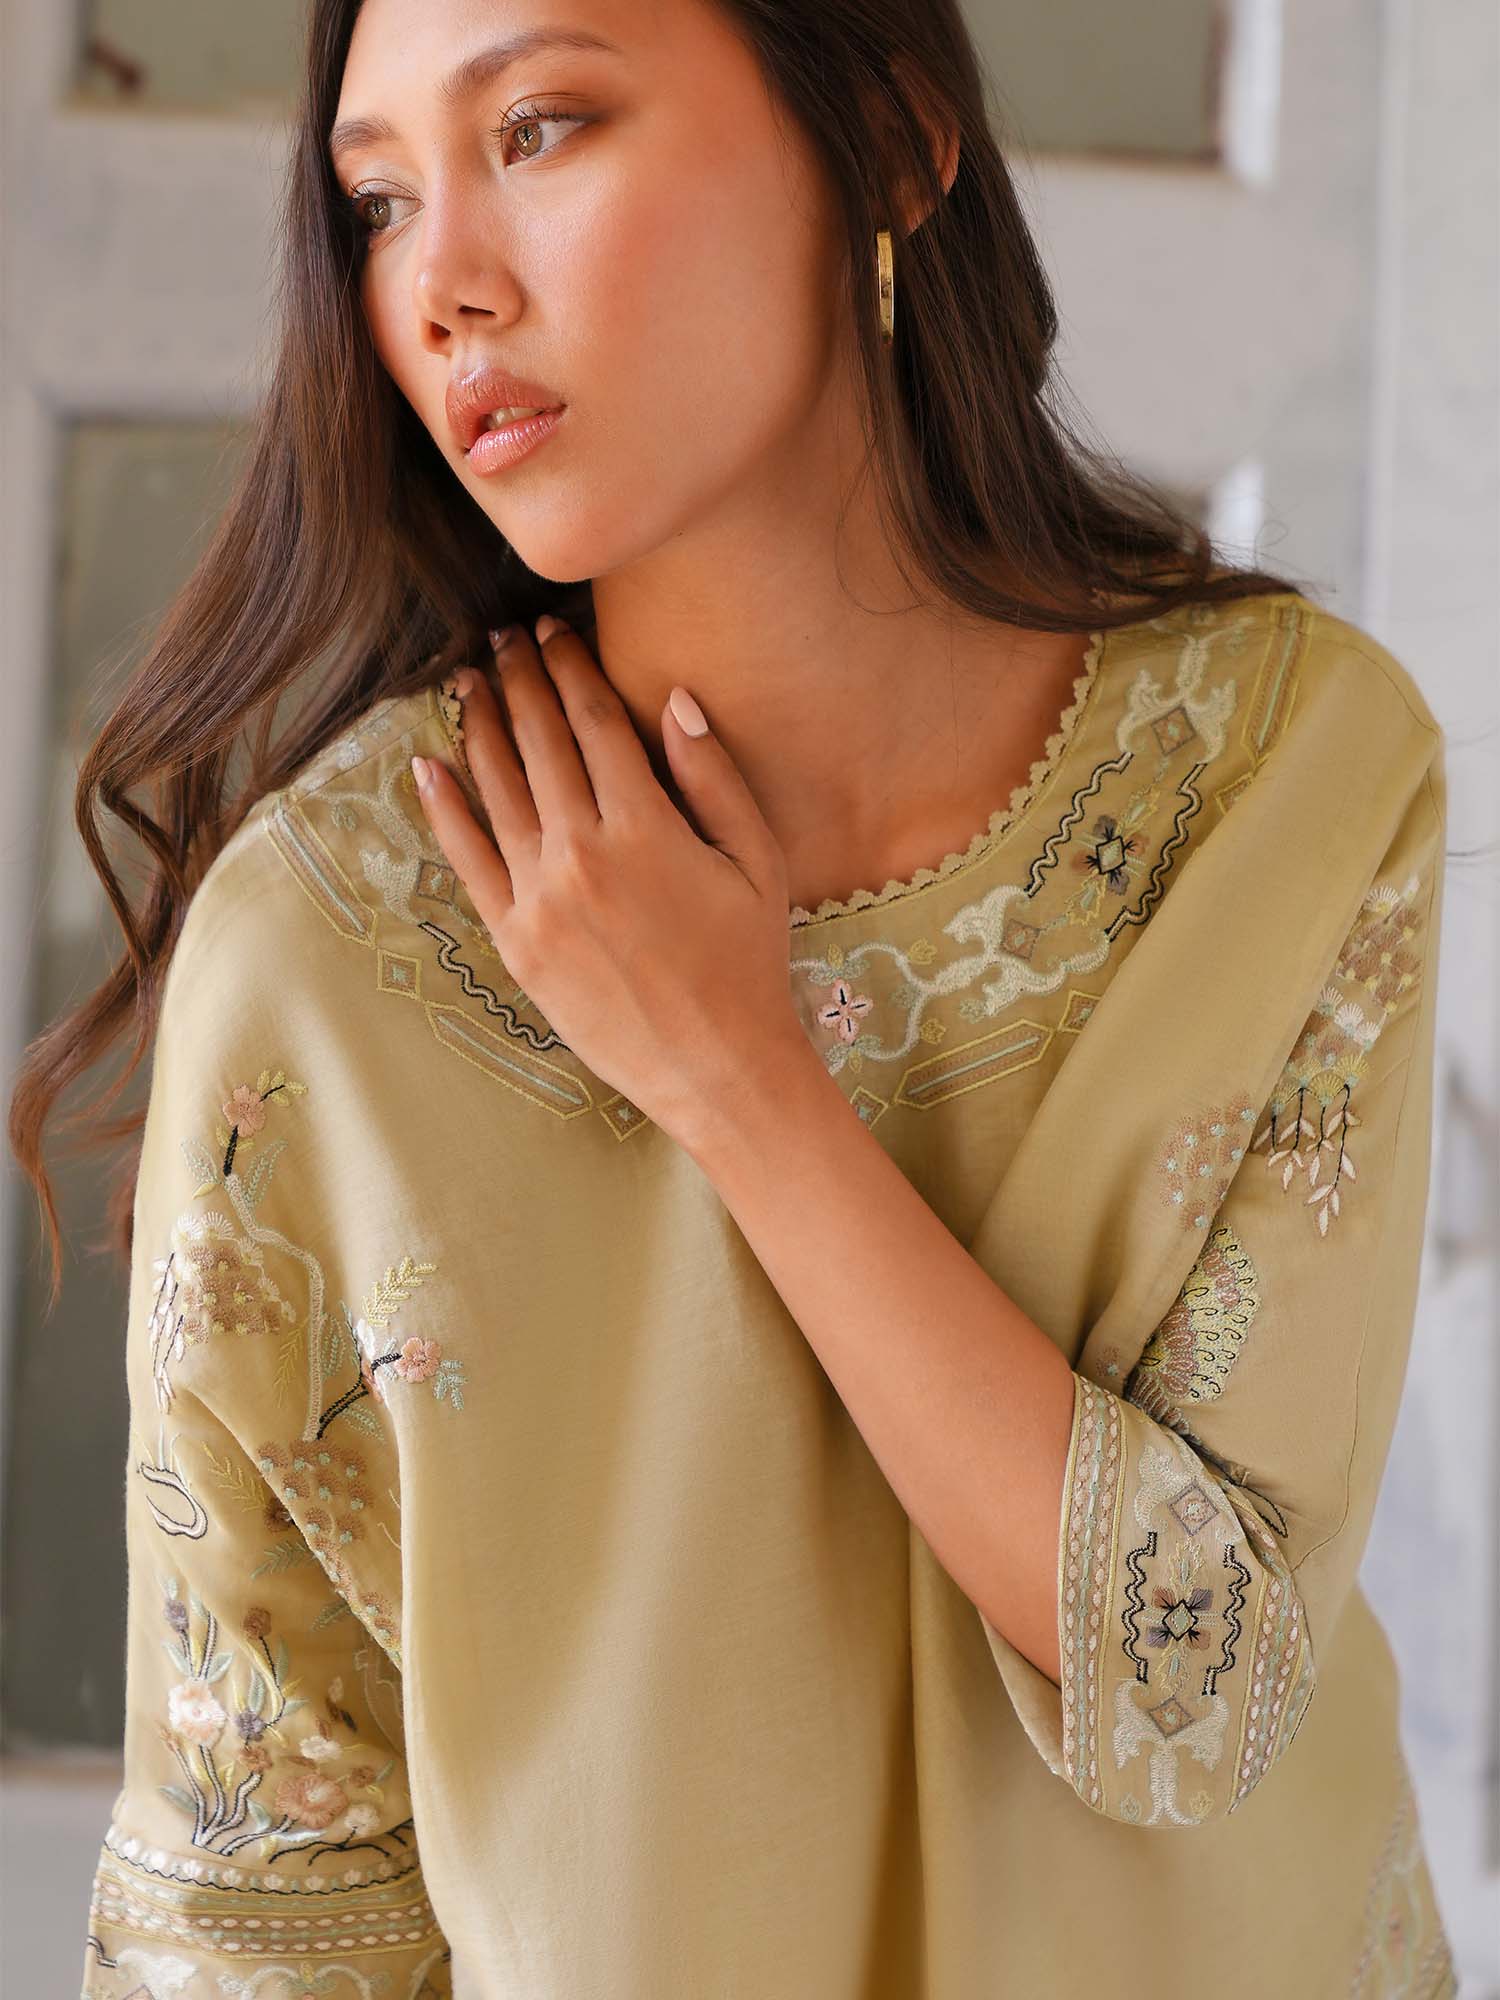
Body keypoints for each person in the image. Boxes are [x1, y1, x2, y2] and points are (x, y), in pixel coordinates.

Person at [6, 2, 1457, 1995]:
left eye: (541, 125)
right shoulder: (328, 951)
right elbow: (255, 1918)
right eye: (379, 200)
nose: (442, 285)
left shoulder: (1285, 781)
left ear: (893, 139)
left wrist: (741, 1077)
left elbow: (1199, 1693)